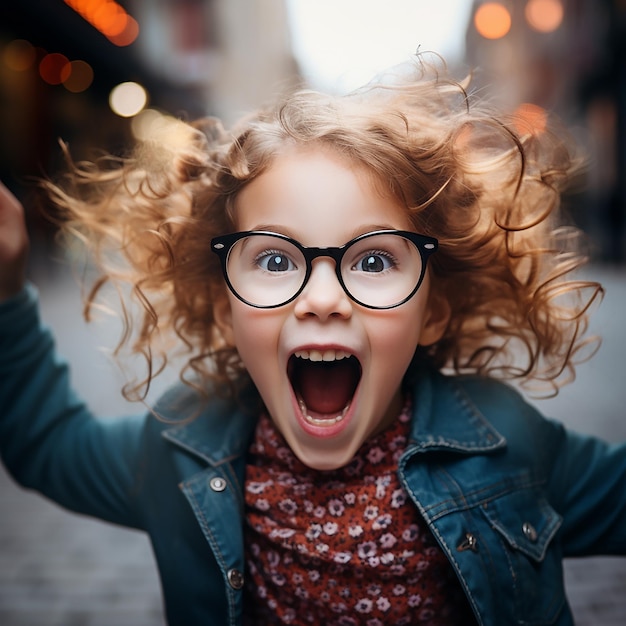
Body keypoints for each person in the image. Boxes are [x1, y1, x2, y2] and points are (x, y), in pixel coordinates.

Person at [0, 56, 624, 626]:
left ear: (434, 310)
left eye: (374, 262)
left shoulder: (510, 445)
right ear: (225, 309)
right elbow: (47, 444)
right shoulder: (176, 453)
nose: (322, 300)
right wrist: (6, 289)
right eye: (274, 262)